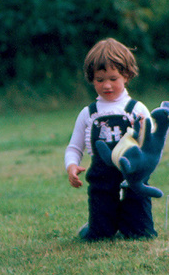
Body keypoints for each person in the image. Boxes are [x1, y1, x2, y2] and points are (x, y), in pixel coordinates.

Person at [65, 38, 158, 241]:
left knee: (140, 234)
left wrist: (144, 131)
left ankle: (130, 223)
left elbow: (151, 144)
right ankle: (97, 225)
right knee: (100, 235)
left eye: (113, 78)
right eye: (99, 80)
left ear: (126, 76)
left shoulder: (137, 109)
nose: (107, 85)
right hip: (102, 178)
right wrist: (71, 165)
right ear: (92, 79)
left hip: (134, 176)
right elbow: (74, 146)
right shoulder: (89, 113)